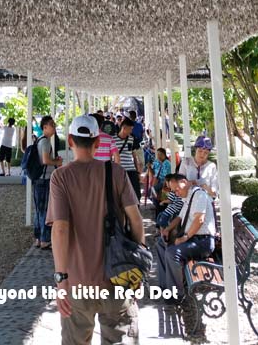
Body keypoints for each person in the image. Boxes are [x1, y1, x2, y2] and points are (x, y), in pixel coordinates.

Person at [47, 114, 145, 344]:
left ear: (70, 141)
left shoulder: (60, 177)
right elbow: (137, 221)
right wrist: (137, 271)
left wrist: (61, 281)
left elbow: (60, 229)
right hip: (116, 279)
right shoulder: (116, 173)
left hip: (77, 283)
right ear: (98, 142)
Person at [156, 173, 215, 303]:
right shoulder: (188, 196)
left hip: (203, 241)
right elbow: (179, 217)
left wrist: (184, 238)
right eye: (173, 191)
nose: (176, 193)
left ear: (184, 181)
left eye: (177, 189)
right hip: (193, 239)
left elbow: (200, 219)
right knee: (161, 244)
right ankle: (165, 286)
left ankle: (177, 294)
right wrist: (167, 229)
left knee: (172, 253)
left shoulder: (199, 194)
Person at [33, 115, 62, 250]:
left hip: (39, 179)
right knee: (45, 209)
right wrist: (57, 162)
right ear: (45, 127)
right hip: (44, 180)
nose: (54, 126)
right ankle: (45, 239)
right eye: (52, 124)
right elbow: (45, 160)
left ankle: (38, 238)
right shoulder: (44, 142)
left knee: (39, 210)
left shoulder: (40, 140)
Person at [117, 117, 142, 201]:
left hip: (131, 170)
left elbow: (134, 156)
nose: (131, 131)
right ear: (124, 128)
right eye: (130, 129)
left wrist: (138, 172)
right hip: (119, 171)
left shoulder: (131, 139)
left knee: (136, 194)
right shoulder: (113, 139)